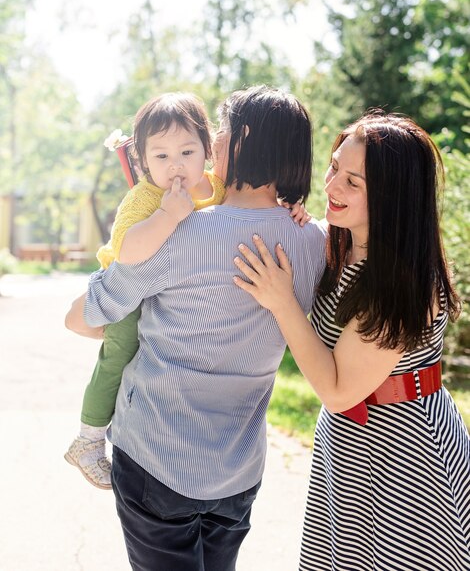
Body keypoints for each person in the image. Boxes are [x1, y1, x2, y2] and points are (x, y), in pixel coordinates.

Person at [65, 85, 326, 571]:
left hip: (155, 457)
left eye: (221, 134)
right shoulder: (318, 240)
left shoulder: (180, 232)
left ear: (242, 140)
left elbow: (82, 317)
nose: (212, 146)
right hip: (239, 467)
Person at [233, 111, 470, 570]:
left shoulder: (403, 280)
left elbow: (339, 391)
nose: (331, 185)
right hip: (351, 451)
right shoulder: (344, 247)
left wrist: (283, 303)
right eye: (333, 166)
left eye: (353, 182)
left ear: (393, 197)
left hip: (410, 459)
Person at [65, 92, 226, 489]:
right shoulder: (145, 198)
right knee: (118, 359)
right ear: (141, 161)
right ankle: (87, 439)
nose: (176, 166)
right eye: (161, 157)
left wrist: (292, 207)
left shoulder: (213, 187)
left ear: (207, 150)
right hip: (125, 297)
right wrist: (167, 215)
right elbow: (128, 252)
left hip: (172, 297)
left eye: (187, 152)